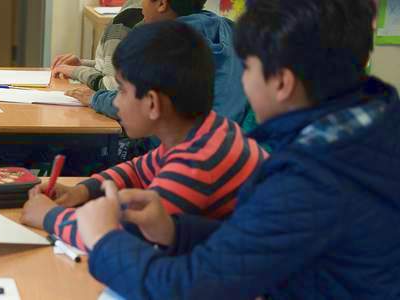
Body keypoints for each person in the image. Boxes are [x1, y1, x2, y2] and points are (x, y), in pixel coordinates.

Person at [66, 0, 400, 298]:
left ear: (281, 83)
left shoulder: (309, 178)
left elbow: (183, 287)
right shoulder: (372, 124)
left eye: (248, 68)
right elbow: (264, 239)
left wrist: (104, 237)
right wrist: (175, 230)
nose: (241, 81)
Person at [21, 20, 266, 237]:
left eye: (122, 90)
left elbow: (124, 238)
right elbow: (137, 170)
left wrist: (49, 217)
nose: (116, 101)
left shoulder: (196, 162)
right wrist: (81, 191)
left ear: (152, 103)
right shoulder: (204, 130)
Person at [85, 0, 255, 133]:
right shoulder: (228, 28)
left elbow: (136, 102)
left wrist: (93, 98)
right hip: (233, 142)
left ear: (161, 4)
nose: (140, 5)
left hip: (183, 149)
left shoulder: (165, 44)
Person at [52, 0, 143, 97]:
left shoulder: (124, 23)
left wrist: (76, 72)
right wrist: (82, 64)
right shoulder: (138, 14)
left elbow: (111, 87)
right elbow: (117, 69)